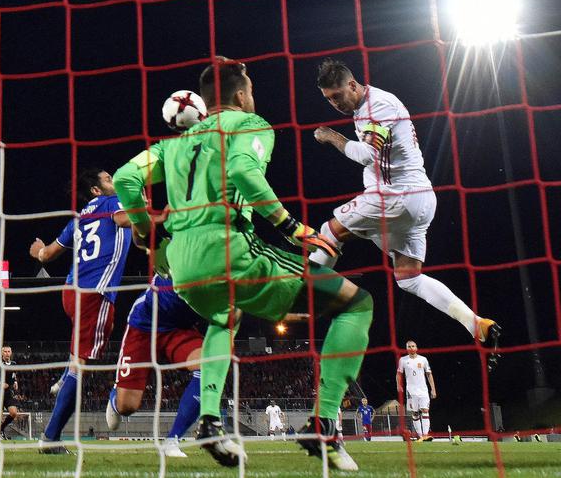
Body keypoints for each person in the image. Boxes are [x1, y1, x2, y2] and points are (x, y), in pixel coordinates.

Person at [114, 57, 371, 472]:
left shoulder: (171, 145)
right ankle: (324, 424)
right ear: (240, 95)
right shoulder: (250, 125)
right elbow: (243, 171)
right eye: (250, 90)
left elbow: (125, 179)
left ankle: (210, 420)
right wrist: (293, 228)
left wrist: (147, 233)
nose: (253, 96)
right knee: (356, 302)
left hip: (182, 266)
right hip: (229, 249)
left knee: (225, 316)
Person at [308, 59, 501, 364]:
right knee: (409, 278)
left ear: (353, 85)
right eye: (329, 99)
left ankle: (305, 294)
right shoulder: (364, 108)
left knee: (330, 231)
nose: (335, 104)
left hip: (397, 196)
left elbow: (368, 155)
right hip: (417, 201)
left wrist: (332, 136)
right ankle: (476, 324)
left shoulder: (379, 105)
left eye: (337, 96)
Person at [30, 169, 132, 453]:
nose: (114, 181)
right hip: (94, 293)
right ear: (96, 190)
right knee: (81, 366)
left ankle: (65, 376)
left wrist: (38, 250)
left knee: (90, 342)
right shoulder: (113, 202)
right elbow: (125, 219)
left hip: (71, 291)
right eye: (108, 179)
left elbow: (47, 254)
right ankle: (50, 438)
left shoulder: (78, 218)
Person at [105, 274, 205, 458]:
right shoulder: (186, 257)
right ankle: (115, 398)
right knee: (127, 406)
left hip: (179, 328)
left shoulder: (230, 276)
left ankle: (172, 440)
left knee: (208, 366)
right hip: (145, 323)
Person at [397, 340, 436, 440]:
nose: (411, 348)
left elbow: (429, 374)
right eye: (409, 346)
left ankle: (425, 435)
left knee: (425, 410)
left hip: (423, 390)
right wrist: (398, 385)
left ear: (416, 347)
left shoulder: (423, 359)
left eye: (413, 346)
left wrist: (433, 389)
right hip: (411, 391)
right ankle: (420, 436)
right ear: (406, 349)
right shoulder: (403, 360)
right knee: (415, 413)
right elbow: (399, 374)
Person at [0, 346, 22, 440]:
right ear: (2, 353)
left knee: (13, 413)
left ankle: (1, 429)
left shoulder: (14, 364)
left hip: (8, 392)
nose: (7, 353)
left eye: (8, 351)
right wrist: (0, 383)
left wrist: (15, 382)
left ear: (11, 353)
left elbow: (14, 375)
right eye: (5, 351)